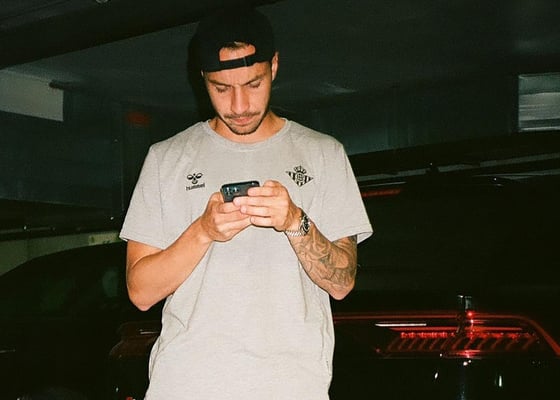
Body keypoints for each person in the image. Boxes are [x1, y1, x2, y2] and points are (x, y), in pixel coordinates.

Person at [120, 6, 373, 400]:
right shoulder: (166, 159)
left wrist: (295, 221)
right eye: (221, 89)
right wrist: (203, 231)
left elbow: (342, 284)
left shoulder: (323, 155)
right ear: (202, 79)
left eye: (253, 84)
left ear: (274, 66)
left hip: (290, 389)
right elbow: (140, 293)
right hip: (186, 388)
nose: (239, 106)